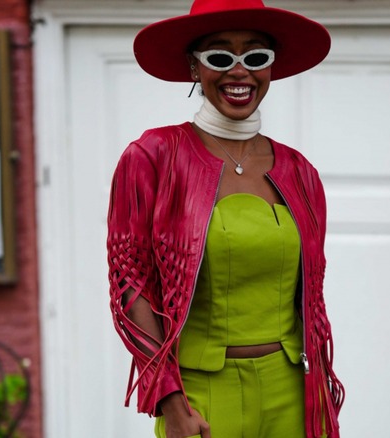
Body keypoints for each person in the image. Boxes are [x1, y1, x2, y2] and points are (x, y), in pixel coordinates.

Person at [107, 1, 344, 437]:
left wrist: (321, 399)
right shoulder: (153, 157)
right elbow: (130, 285)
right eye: (220, 57)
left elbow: (310, 298)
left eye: (256, 57)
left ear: (270, 68)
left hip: (292, 390)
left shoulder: (300, 172)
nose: (240, 73)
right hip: (200, 396)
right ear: (195, 67)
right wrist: (170, 401)